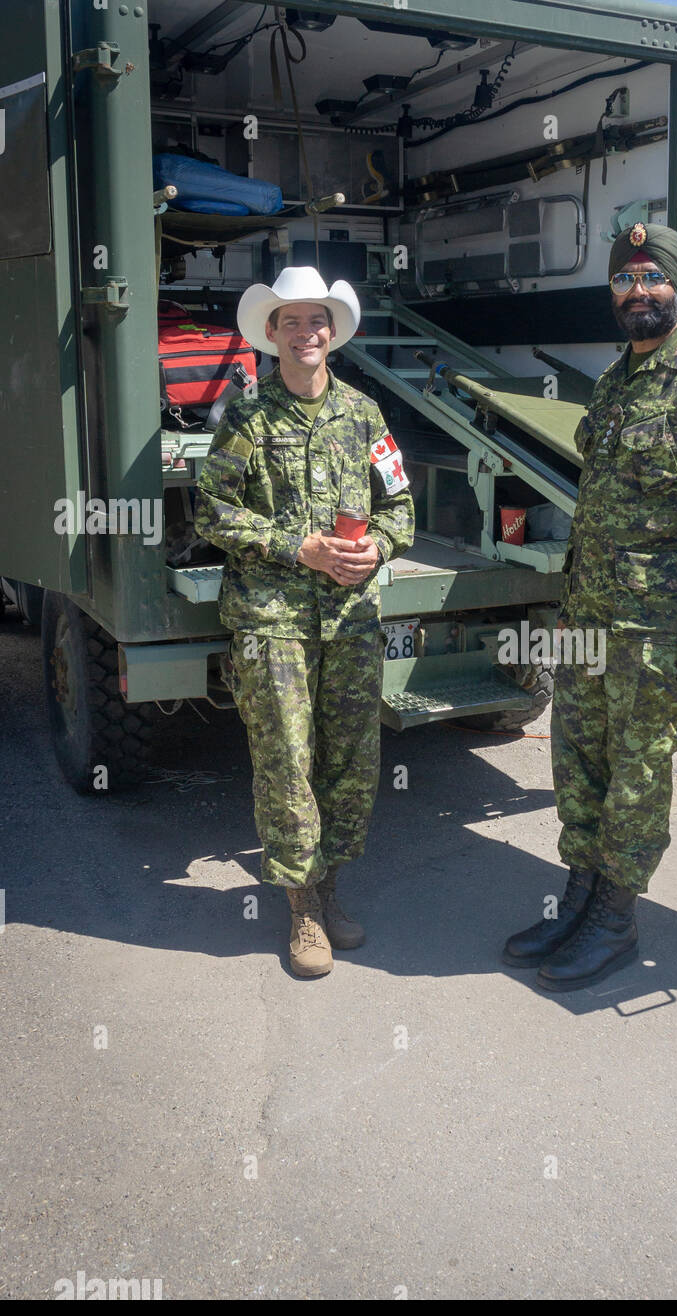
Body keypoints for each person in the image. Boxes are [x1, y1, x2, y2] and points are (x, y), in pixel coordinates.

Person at [502, 222, 677, 992]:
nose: (637, 291)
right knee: (577, 759)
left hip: (656, 624)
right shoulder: (616, 378)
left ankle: (615, 920)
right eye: (624, 279)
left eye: (651, 278)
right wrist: (568, 602)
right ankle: (577, 900)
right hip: (589, 613)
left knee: (636, 768)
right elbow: (594, 504)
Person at [195, 266, 414, 978]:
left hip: (349, 619)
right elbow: (212, 512)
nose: (305, 332)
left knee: (351, 762)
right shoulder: (247, 418)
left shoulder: (365, 415)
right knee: (287, 763)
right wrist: (298, 547)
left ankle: (330, 887)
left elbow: (400, 505)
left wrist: (379, 546)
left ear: (332, 331)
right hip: (273, 620)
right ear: (272, 333)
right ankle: (302, 909)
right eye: (291, 321)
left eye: (316, 320)